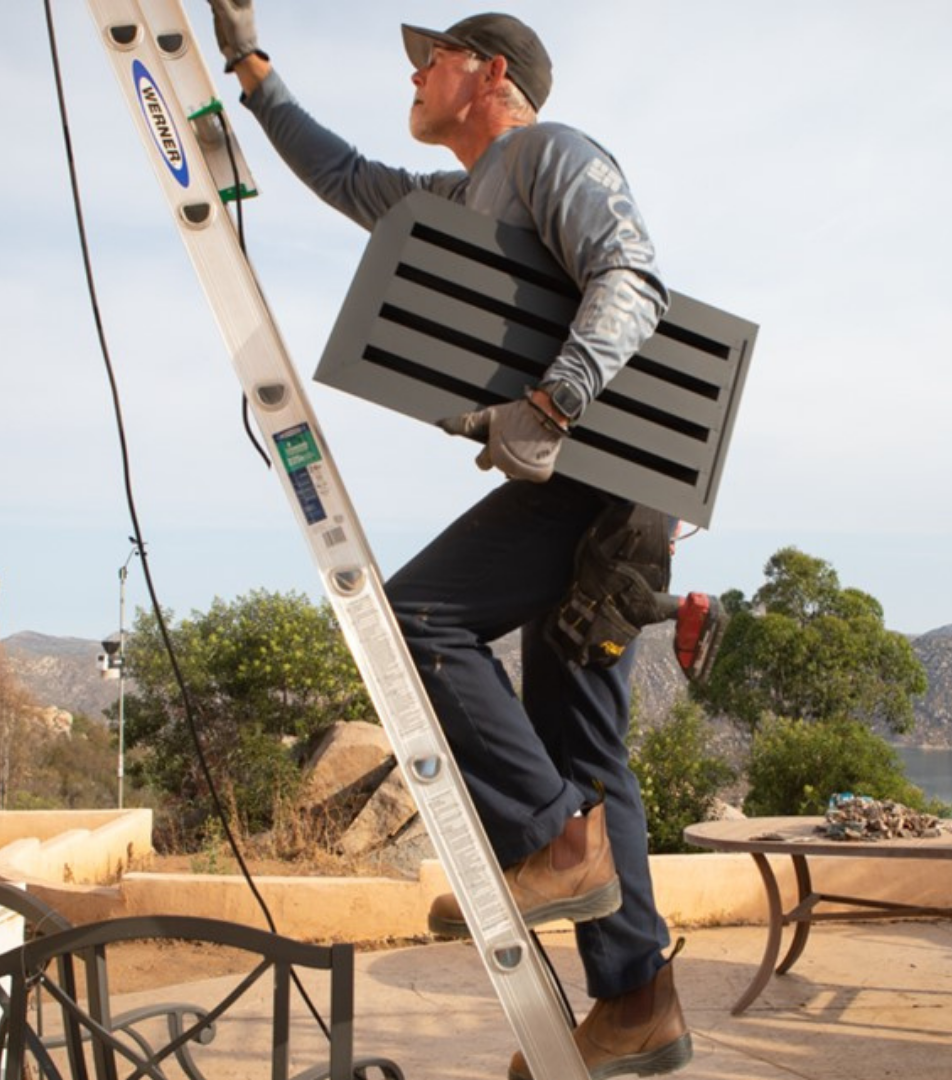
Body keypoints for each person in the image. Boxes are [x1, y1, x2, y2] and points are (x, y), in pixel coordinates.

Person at [207, 4, 692, 1078]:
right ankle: (637, 1001)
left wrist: (555, 401)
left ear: (489, 71)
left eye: (431, 62)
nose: (415, 77)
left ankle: (554, 843)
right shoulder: (451, 197)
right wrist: (253, 68)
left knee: (417, 616)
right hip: (606, 492)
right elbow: (342, 177)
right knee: (589, 753)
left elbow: (633, 277)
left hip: (599, 478)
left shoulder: (549, 154)